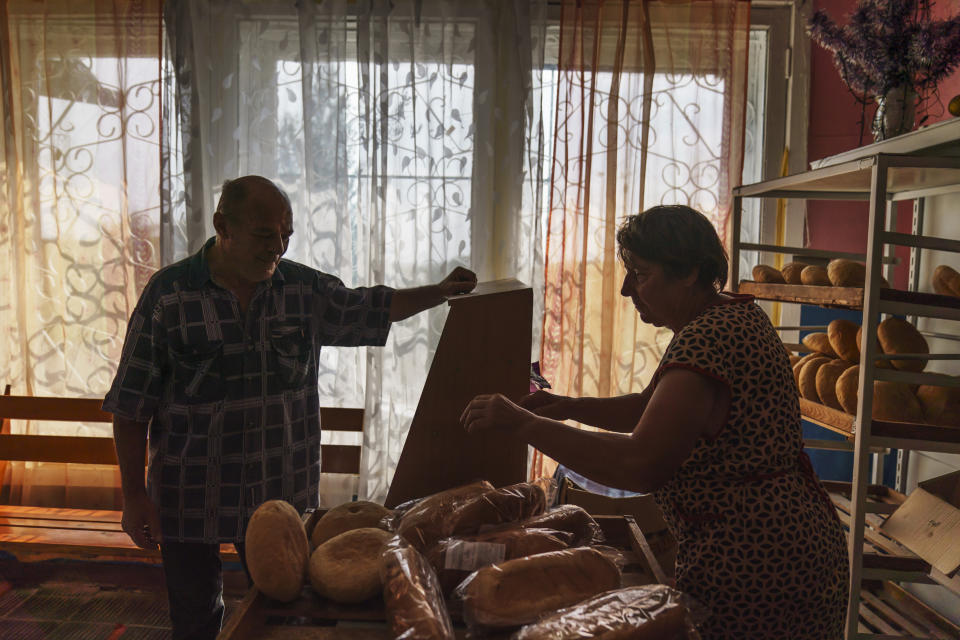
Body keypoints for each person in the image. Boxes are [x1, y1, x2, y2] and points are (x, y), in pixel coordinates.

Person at [103, 175, 477, 640]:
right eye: (264, 235)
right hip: (189, 495)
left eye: (286, 234)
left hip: (278, 496)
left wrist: (439, 291)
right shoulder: (169, 296)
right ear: (223, 225)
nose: (276, 247)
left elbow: (371, 307)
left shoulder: (303, 290)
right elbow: (131, 404)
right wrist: (134, 496)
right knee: (194, 618)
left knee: (285, 619)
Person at [461, 205, 848, 640]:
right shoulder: (724, 316)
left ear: (688, 273)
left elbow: (640, 464)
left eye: (640, 274)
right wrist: (569, 406)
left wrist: (523, 425)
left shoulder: (710, 337)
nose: (627, 289)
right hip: (787, 543)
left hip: (757, 561)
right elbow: (651, 407)